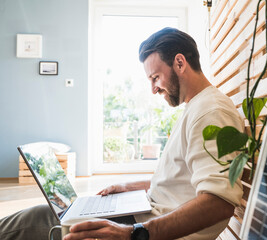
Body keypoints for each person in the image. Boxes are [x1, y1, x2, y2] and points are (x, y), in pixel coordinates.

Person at [0, 27, 244, 240]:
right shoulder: (198, 107)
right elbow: (184, 183)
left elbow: (218, 203)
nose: (153, 89)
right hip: (148, 216)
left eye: (155, 77)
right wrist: (130, 186)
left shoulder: (210, 112)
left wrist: (135, 233)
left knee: (39, 218)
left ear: (180, 63)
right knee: (59, 213)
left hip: (150, 229)